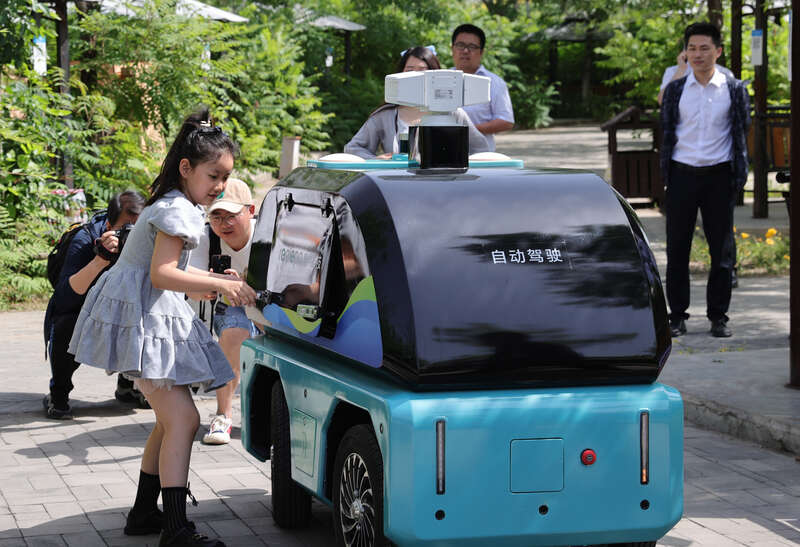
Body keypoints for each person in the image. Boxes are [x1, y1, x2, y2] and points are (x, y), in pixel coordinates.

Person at [68, 107, 256, 546]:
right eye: (214, 175)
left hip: (144, 316)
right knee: (185, 420)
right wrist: (218, 284)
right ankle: (175, 530)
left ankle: (143, 514)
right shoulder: (177, 209)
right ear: (186, 168)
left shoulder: (175, 202)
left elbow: (170, 272)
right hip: (141, 318)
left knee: (169, 421)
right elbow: (162, 274)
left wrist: (213, 280)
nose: (220, 185)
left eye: (226, 177)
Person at [660, 22, 750, 339]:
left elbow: (741, 130)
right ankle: (676, 316)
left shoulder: (733, 89)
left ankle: (718, 317)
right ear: (685, 52)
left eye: (704, 48)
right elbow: (667, 129)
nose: (697, 55)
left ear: (718, 51)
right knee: (677, 250)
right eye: (692, 48)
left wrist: (739, 174)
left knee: (721, 253)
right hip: (682, 174)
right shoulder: (676, 90)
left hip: (719, 176)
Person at [43, 190, 147, 420]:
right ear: (109, 225)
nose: (132, 237)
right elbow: (64, 299)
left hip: (124, 309)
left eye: (139, 230)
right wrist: (100, 259)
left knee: (152, 318)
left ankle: (129, 384)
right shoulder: (85, 239)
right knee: (66, 324)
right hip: (82, 310)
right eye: (126, 230)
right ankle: (58, 392)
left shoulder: (151, 242)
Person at [187, 178, 260, 446]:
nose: (223, 224)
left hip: (273, 307)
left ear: (250, 211)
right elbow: (190, 286)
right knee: (233, 332)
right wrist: (210, 287)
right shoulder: (206, 237)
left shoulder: (268, 236)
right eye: (216, 216)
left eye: (231, 216)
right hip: (230, 308)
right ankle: (223, 415)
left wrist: (246, 285)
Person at [344, 45, 489, 159]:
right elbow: (353, 149)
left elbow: (481, 150)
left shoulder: (453, 112)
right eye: (409, 70)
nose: (415, 75)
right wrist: (376, 161)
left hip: (446, 184)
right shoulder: (385, 115)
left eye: (422, 70)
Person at [450, 23, 514, 151]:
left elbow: (506, 121)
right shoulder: (440, 79)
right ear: (452, 49)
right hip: (444, 152)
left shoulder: (494, 83)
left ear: (481, 52)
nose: (465, 51)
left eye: (472, 47)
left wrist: (469, 130)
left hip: (481, 155)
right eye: (460, 45)